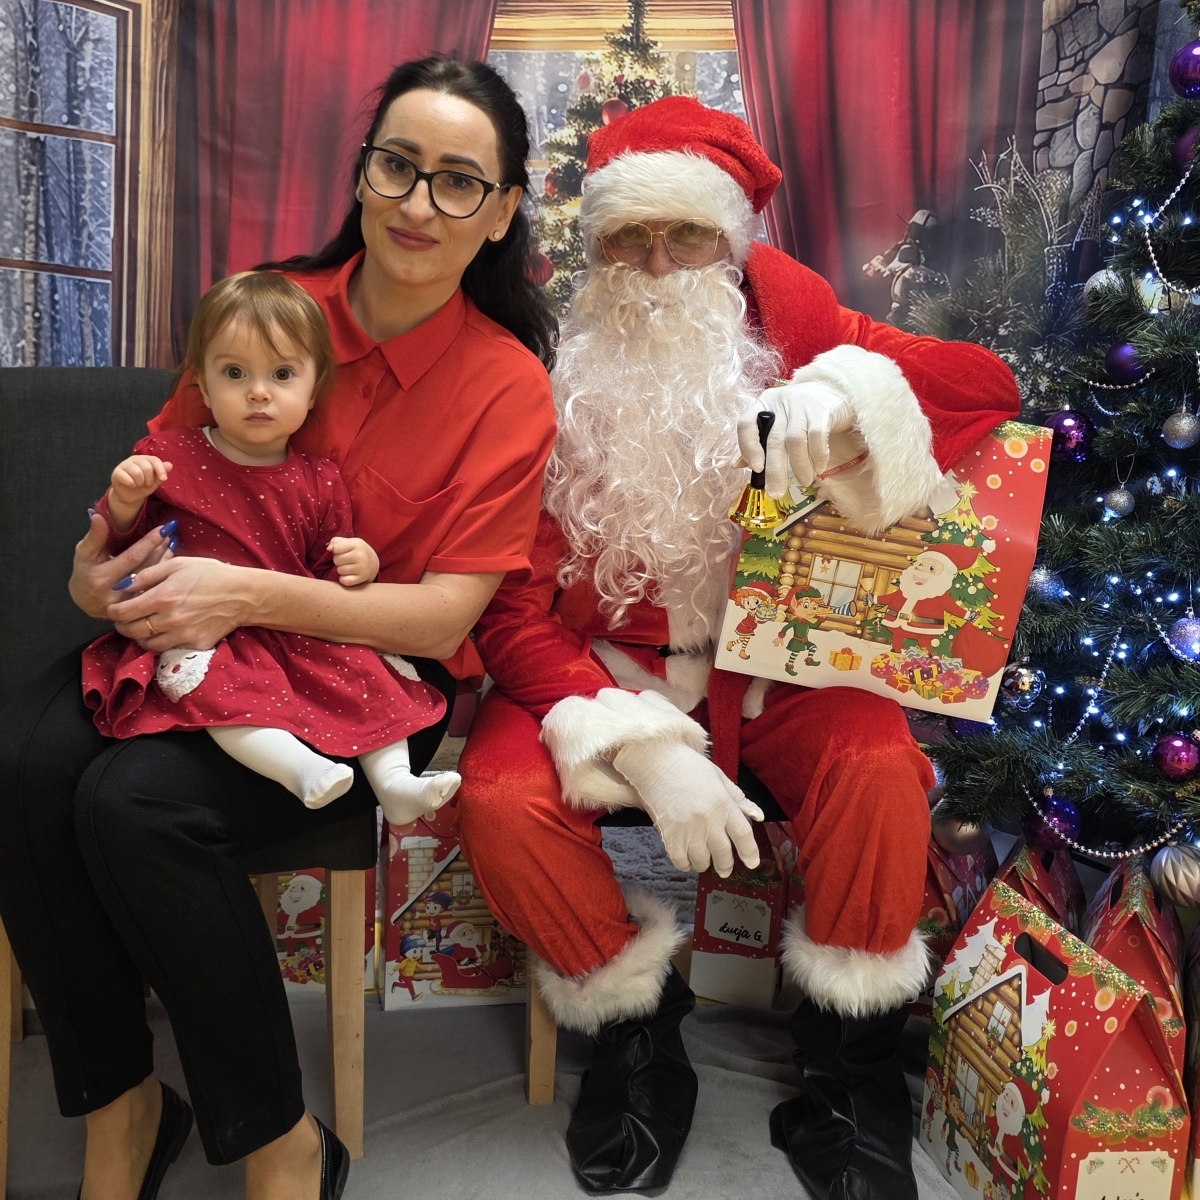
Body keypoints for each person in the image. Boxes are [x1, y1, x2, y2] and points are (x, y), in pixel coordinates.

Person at [0, 56, 555, 1200]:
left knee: (133, 803)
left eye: (459, 181)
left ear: (502, 213)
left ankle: (281, 1140)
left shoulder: (507, 386)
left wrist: (247, 595)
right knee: (20, 761)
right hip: (191, 639)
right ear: (361, 174)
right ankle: (123, 1108)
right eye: (398, 165)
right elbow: (157, 488)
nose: (418, 202)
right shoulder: (269, 307)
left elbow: (444, 615)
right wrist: (96, 577)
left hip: (370, 682)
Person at [456, 96, 1018, 1198]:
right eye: (629, 237)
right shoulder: (549, 369)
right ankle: (634, 1037)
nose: (658, 264)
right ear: (595, 247)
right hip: (600, 673)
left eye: (688, 235)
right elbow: (510, 605)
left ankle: (848, 1075)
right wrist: (635, 741)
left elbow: (987, 388)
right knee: (502, 801)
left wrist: (847, 394)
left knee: (877, 765)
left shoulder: (795, 322)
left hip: (775, 675)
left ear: (732, 241)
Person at [84, 271, 460, 824]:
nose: (258, 392)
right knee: (221, 694)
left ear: (313, 390)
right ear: (202, 384)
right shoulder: (168, 456)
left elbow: (328, 569)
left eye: (282, 374)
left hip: (291, 624)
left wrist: (362, 562)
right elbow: (122, 546)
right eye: (234, 373)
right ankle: (300, 769)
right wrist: (124, 499)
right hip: (203, 632)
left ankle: (396, 782)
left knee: (367, 674)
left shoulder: (319, 479)